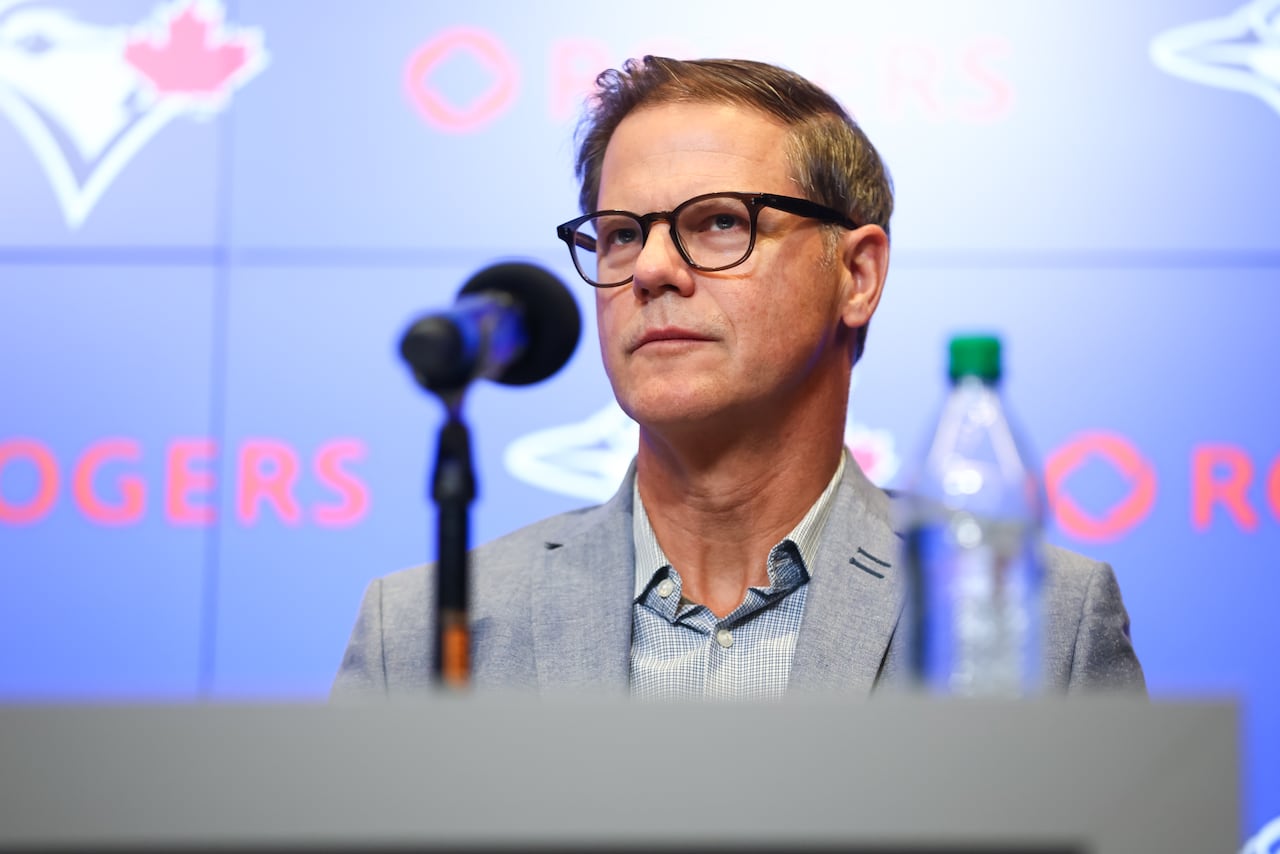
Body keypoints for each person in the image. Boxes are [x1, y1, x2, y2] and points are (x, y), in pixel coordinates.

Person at [333, 56, 1144, 699]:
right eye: (619, 235)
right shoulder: (423, 632)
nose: (649, 268)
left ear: (856, 275)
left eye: (719, 222)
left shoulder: (1039, 621)